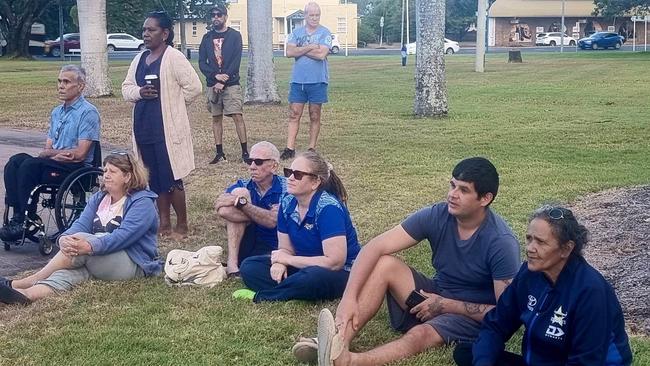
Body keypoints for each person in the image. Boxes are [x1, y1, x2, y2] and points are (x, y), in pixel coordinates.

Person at [304, 157, 521, 366]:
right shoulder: (437, 215)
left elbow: (505, 315)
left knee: (420, 334)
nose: (452, 195)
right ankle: (338, 341)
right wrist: (348, 299)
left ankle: (349, 361)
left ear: (485, 198)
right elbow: (374, 247)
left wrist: (446, 305)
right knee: (384, 264)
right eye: (452, 185)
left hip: (469, 316)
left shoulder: (500, 242)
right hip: (433, 295)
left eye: (463, 190)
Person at [454, 205, 633, 366]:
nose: (530, 248)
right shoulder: (528, 273)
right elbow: (496, 325)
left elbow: (586, 360)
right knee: (469, 353)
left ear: (566, 249)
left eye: (540, 242)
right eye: (529, 238)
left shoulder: (591, 292)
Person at [0, 152, 161, 305]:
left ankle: (25, 281)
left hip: (132, 262)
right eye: (105, 170)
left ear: (127, 176)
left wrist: (90, 246)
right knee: (69, 274)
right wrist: (64, 239)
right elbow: (80, 224)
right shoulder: (100, 197)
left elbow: (123, 236)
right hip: (97, 257)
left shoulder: (142, 202)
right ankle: (26, 295)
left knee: (82, 242)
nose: (106, 175)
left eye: (113, 171)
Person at [234, 150, 361, 302]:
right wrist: (280, 262)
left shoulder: (328, 208)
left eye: (298, 175)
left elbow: (334, 262)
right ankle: (294, 289)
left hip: (340, 272)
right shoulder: (287, 203)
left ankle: (265, 296)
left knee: (313, 278)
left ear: (315, 182)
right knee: (250, 266)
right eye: (289, 172)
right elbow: (285, 248)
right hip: (303, 265)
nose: (290, 178)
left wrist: (287, 260)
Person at [122, 11, 202, 240]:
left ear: (165, 33)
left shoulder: (174, 57)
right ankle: (164, 222)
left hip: (167, 129)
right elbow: (126, 88)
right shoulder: (139, 59)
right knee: (154, 177)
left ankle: (183, 225)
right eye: (144, 30)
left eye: (151, 30)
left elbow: (194, 87)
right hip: (144, 127)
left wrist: (174, 104)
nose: (146, 34)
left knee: (172, 176)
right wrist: (139, 92)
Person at [0, 64, 100, 242]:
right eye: (59, 81)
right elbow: (47, 149)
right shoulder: (57, 112)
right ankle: (19, 216)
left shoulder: (88, 112)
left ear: (80, 86)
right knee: (16, 161)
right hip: (55, 161)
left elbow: (80, 154)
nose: (61, 86)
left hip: (74, 168)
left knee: (30, 165)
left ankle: (27, 217)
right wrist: (53, 153)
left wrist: (51, 154)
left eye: (67, 82)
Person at [214, 141, 287, 277]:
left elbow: (273, 221)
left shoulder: (286, 188)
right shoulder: (244, 184)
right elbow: (222, 210)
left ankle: (238, 266)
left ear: (274, 166)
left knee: (239, 201)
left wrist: (243, 206)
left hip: (275, 246)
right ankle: (232, 265)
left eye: (258, 162)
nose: (252, 167)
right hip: (248, 241)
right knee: (240, 193)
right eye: (249, 161)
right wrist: (259, 215)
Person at [280, 2, 332, 160]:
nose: (314, 18)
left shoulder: (325, 32)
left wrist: (301, 50)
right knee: (294, 114)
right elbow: (289, 52)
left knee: (314, 114)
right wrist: (310, 47)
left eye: (317, 15)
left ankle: (311, 148)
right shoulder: (296, 32)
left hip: (317, 80)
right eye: (311, 15)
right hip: (298, 81)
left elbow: (321, 55)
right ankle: (290, 148)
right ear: (305, 15)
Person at [199, 5, 249, 164]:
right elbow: (202, 62)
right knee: (216, 117)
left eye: (219, 15)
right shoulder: (206, 38)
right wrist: (215, 77)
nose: (215, 18)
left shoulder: (235, 36)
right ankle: (219, 153)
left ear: (225, 17)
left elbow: (236, 61)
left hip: (231, 84)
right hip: (212, 84)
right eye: (213, 15)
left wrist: (223, 80)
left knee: (237, 116)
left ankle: (245, 153)